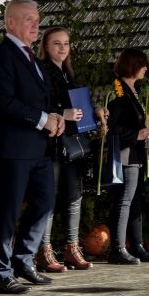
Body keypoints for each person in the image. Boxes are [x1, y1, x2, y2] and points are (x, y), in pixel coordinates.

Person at [0, 0, 65, 294]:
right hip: (11, 149)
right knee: (8, 209)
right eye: (28, 18)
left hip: (38, 149)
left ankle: (22, 261)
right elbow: (3, 102)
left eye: (37, 18)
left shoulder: (34, 60)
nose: (35, 23)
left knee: (45, 202)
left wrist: (55, 116)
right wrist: (43, 119)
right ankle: (0, 273)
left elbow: (39, 101)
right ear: (11, 23)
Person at [34, 27, 92, 272]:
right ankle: (43, 251)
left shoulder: (68, 74)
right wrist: (61, 112)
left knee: (74, 197)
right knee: (49, 197)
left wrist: (94, 112)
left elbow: (78, 108)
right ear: (46, 47)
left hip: (72, 144)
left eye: (66, 43)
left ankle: (71, 247)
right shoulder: (42, 71)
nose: (62, 48)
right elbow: (38, 105)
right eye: (57, 43)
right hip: (52, 144)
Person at [106, 48, 149, 265]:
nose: (146, 68)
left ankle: (137, 245)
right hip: (125, 156)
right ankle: (117, 248)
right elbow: (112, 129)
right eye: (143, 64)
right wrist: (136, 133)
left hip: (135, 154)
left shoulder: (134, 91)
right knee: (124, 201)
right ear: (133, 66)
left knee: (135, 201)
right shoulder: (119, 95)